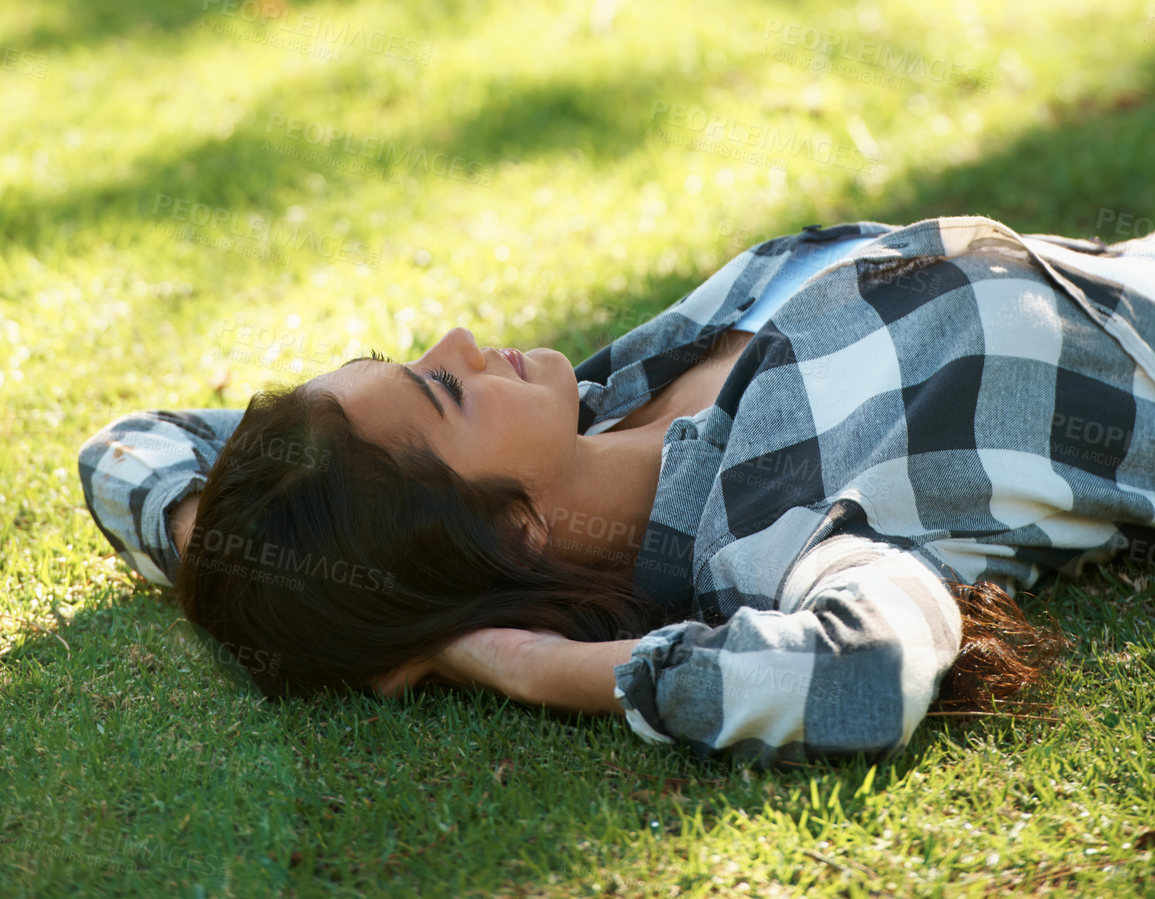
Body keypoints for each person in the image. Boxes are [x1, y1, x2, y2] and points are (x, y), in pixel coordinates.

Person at [79, 214, 1155, 767]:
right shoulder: (785, 530)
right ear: (517, 528)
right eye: (442, 389)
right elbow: (863, 676)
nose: (459, 337)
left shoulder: (601, 404)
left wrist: (266, 559)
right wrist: (538, 668)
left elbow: (126, 452)